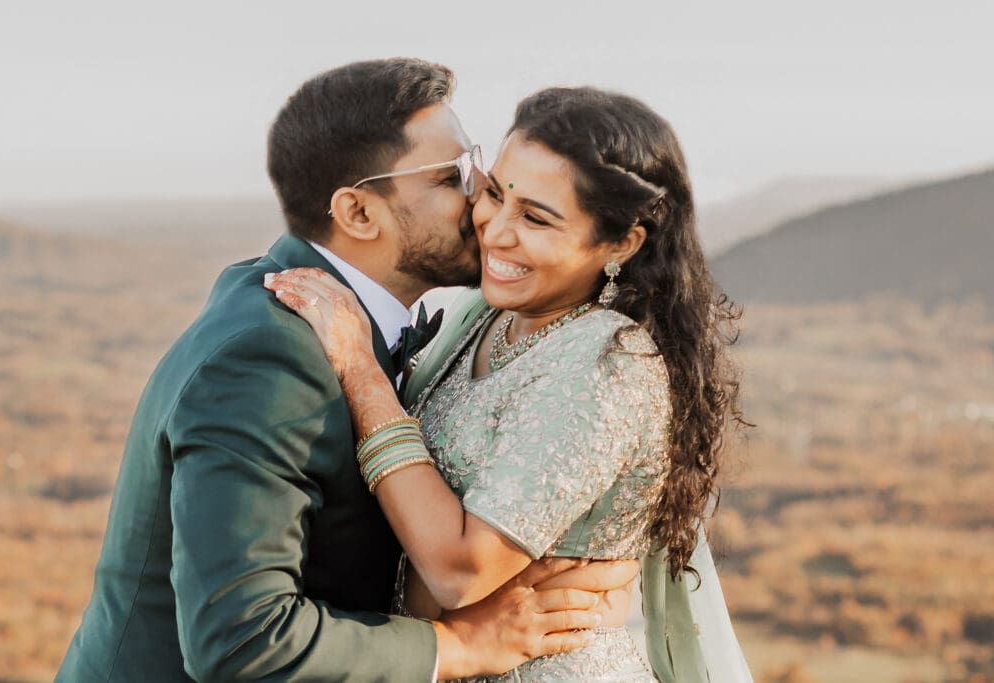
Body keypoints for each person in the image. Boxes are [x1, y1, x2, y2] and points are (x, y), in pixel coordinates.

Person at [57, 60, 635, 683]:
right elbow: (242, 641)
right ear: (359, 214)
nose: (483, 202)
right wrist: (462, 646)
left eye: (474, 166)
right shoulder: (271, 356)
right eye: (450, 178)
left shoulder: (340, 321)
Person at [267, 86, 753, 681]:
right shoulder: (490, 318)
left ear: (620, 244)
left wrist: (362, 374)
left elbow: (461, 571)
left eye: (536, 218)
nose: (495, 230)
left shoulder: (606, 364)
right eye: (494, 193)